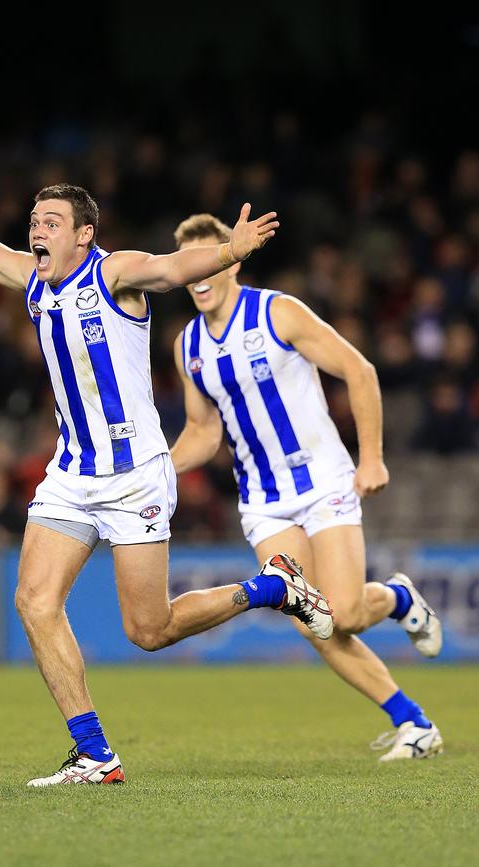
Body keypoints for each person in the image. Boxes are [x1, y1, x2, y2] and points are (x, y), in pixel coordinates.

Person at [0, 147, 335, 786]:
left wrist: (230, 251)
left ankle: (273, 588)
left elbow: (171, 269)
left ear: (85, 235)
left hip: (135, 472)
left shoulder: (113, 273)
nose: (37, 230)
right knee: (33, 600)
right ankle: (93, 752)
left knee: (150, 629)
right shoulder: (34, 283)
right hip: (72, 472)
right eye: (34, 220)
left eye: (52, 222)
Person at [170, 212, 444, 762]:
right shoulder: (187, 346)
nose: (197, 274)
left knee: (341, 612)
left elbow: (359, 369)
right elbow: (202, 432)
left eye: (206, 260)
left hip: (322, 481)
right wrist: (154, 470)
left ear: (231, 260)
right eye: (187, 265)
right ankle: (413, 723)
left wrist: (372, 459)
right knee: (311, 620)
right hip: (264, 502)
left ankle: (396, 597)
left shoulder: (276, 312)